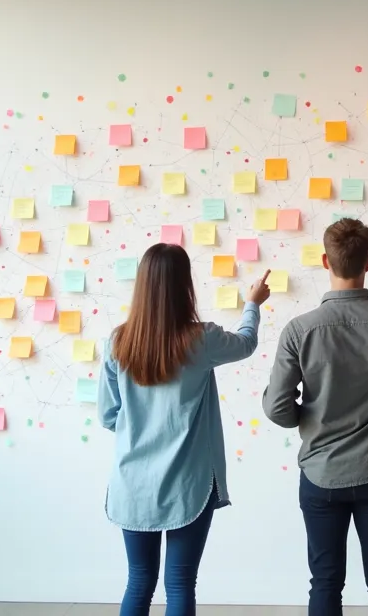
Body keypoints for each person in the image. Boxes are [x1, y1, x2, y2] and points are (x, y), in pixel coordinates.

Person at [263, 221, 368, 616]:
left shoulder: (299, 330)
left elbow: (276, 409)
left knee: (324, 582)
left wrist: (306, 418)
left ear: (325, 261)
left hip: (320, 473)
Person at [98, 242, 271, 616]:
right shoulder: (202, 339)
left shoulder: (116, 342)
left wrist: (140, 428)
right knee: (180, 583)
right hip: (189, 485)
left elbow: (109, 415)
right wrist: (253, 304)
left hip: (133, 483)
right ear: (184, 285)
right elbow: (247, 343)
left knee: (138, 580)